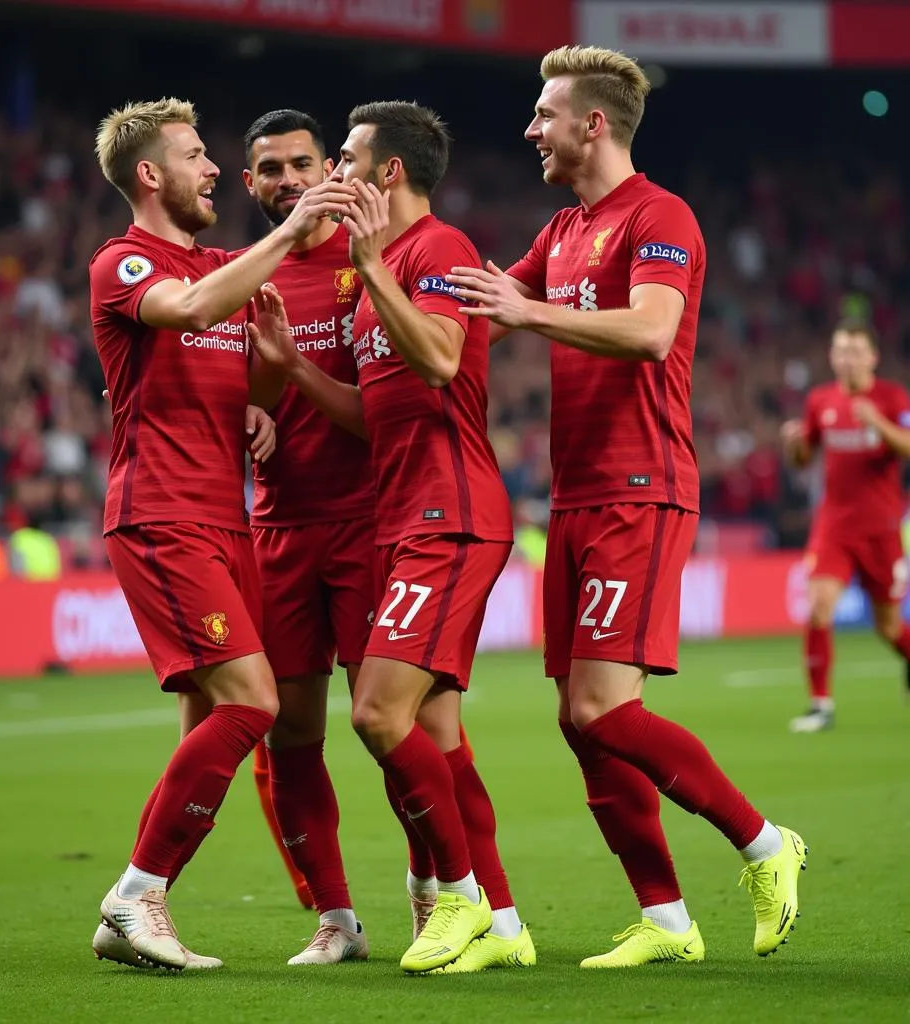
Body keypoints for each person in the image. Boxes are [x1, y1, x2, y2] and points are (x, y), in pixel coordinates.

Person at [445, 45, 807, 967]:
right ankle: (668, 920)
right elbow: (488, 293)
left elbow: (651, 331)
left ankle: (767, 844)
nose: (531, 129)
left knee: (605, 710)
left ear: (591, 123)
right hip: (575, 497)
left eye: (544, 114)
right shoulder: (564, 229)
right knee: (577, 716)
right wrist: (384, 261)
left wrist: (526, 316)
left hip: (642, 489)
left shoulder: (661, 216)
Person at [249, 100, 534, 975]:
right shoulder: (262, 273)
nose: (314, 176)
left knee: (395, 719)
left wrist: (368, 267)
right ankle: (413, 917)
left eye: (330, 158)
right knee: (321, 731)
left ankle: (464, 899)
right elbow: (379, 411)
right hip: (352, 522)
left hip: (416, 520)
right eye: (282, 168)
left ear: (385, 173)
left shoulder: (412, 255)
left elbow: (443, 362)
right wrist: (277, 381)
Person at [87, 96, 355, 971]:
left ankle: (143, 907)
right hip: (163, 516)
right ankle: (135, 894)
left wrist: (264, 401)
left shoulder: (224, 268)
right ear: (151, 174)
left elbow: (249, 382)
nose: (214, 172)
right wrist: (291, 233)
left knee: (211, 722)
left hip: (227, 519)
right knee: (253, 701)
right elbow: (191, 313)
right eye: (197, 156)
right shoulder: (123, 263)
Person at [241, 108, 377, 964]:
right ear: (248, 181)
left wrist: (286, 375)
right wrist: (243, 408)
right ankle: (335, 918)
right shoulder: (242, 276)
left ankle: (448, 892)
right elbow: (216, 385)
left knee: (395, 725)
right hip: (281, 529)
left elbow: (389, 412)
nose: (288, 180)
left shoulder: (370, 265)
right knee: (290, 734)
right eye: (269, 169)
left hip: (371, 522)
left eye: (301, 163)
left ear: (333, 167)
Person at [781, 319, 910, 732]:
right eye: (840, 351)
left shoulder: (891, 398)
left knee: (889, 626)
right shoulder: (821, 400)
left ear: (872, 356)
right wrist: (794, 443)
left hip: (881, 529)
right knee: (818, 609)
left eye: (855, 351)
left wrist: (877, 422)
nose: (846, 359)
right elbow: (804, 459)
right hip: (833, 525)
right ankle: (821, 705)